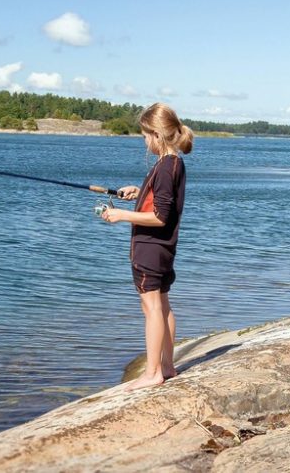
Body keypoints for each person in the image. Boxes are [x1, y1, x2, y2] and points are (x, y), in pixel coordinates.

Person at [102, 103, 193, 391]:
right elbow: (163, 199)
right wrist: (140, 192)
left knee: (151, 308)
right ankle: (167, 366)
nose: (144, 141)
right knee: (163, 306)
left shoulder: (166, 167)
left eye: (144, 135)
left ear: (156, 135)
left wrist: (121, 215)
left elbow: (160, 216)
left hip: (150, 249)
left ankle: (153, 373)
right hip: (164, 250)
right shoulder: (174, 163)